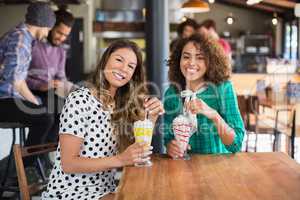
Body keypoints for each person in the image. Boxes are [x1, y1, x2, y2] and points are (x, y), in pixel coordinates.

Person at [42, 40, 164, 200]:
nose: (123, 69)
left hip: (105, 191)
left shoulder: (120, 105)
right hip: (71, 193)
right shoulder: (80, 99)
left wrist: (150, 118)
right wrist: (120, 159)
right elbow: (69, 163)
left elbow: (136, 156)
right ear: (105, 60)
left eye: (130, 66)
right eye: (119, 60)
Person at [163, 34, 244, 158]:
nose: (191, 63)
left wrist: (213, 114)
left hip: (219, 167)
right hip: (184, 168)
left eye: (200, 58)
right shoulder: (172, 93)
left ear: (210, 61)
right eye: (186, 57)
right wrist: (170, 146)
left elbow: (236, 144)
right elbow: (168, 137)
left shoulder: (223, 89)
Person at [0, 2, 56, 148]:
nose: (47, 34)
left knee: (55, 110)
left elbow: (17, 78)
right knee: (45, 118)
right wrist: (34, 101)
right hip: (4, 100)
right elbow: (15, 81)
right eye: (48, 29)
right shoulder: (20, 40)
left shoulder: (23, 38)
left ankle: (42, 160)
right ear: (43, 24)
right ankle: (28, 166)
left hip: (10, 97)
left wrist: (34, 101)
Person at [26, 7, 75, 143]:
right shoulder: (32, 45)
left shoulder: (61, 52)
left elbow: (61, 77)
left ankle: (46, 152)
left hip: (51, 92)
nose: (62, 38)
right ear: (50, 27)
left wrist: (67, 86)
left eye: (66, 35)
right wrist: (40, 85)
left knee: (68, 110)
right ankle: (36, 156)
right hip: (30, 91)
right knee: (53, 111)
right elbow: (18, 77)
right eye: (59, 32)